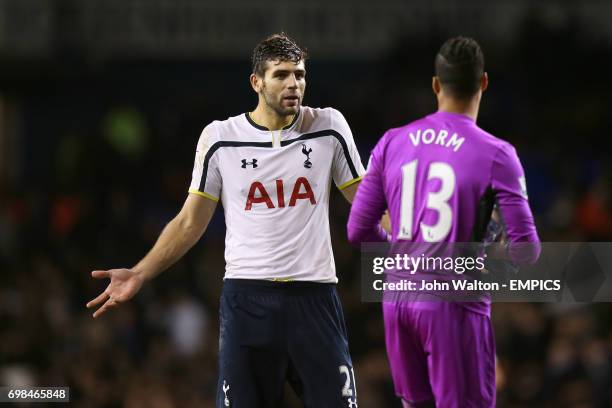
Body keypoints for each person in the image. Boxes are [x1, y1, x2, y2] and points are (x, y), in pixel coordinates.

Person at [87, 33, 372, 407]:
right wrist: (140, 273)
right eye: (282, 75)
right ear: (257, 82)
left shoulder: (329, 126)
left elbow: (368, 205)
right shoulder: (220, 139)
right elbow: (190, 222)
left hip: (314, 298)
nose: (294, 84)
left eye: (300, 75)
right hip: (248, 301)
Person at [347, 37, 541, 407]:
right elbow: (526, 250)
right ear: (483, 82)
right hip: (453, 303)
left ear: (436, 85)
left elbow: (358, 231)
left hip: (398, 299)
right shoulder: (498, 154)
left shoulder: (391, 141)